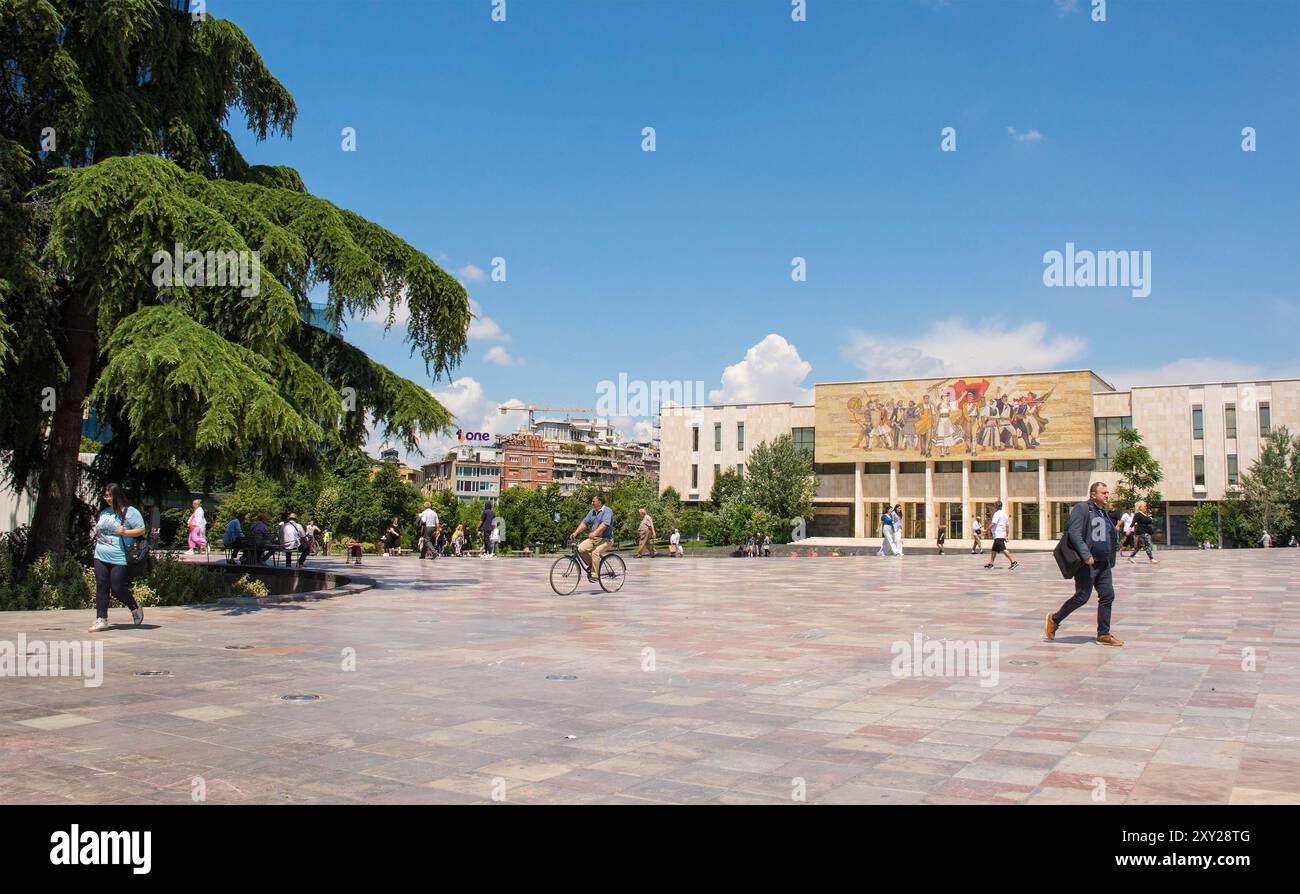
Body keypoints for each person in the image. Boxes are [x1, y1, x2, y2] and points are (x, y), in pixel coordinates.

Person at [1045, 481, 1124, 647]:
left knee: (1108, 595)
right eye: (1103, 493)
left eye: (1107, 492)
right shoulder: (1082, 508)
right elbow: (1074, 532)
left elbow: (1108, 535)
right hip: (1086, 563)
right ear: (1093, 494)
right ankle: (1054, 619)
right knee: (1082, 596)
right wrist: (1086, 554)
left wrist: (1112, 553)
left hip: (1103, 564)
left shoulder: (1103, 513)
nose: (1107, 495)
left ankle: (1103, 634)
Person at [89, 483, 145, 633]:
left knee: (117, 587)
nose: (107, 498)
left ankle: (134, 606)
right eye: (105, 495)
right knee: (101, 585)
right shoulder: (105, 512)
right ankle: (101, 619)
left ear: (117, 495)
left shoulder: (130, 512)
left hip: (119, 556)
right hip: (100, 554)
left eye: (110, 495)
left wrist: (125, 532)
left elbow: (141, 529)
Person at [571, 494, 614, 582]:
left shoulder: (607, 511)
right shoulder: (592, 512)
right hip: (594, 539)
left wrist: (594, 533)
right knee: (580, 549)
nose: (592, 503)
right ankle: (593, 565)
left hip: (606, 539)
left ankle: (595, 576)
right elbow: (584, 523)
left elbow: (604, 525)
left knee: (595, 552)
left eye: (593, 501)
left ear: (599, 502)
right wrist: (575, 533)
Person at [984, 500, 1017, 570]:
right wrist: (1007, 535)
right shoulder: (1005, 514)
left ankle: (1013, 562)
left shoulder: (997, 514)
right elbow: (1007, 526)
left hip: (998, 534)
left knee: (1003, 549)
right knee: (994, 549)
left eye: (994, 505)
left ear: (996, 506)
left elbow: (993, 524)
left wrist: (986, 530)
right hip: (1001, 534)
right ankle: (991, 563)